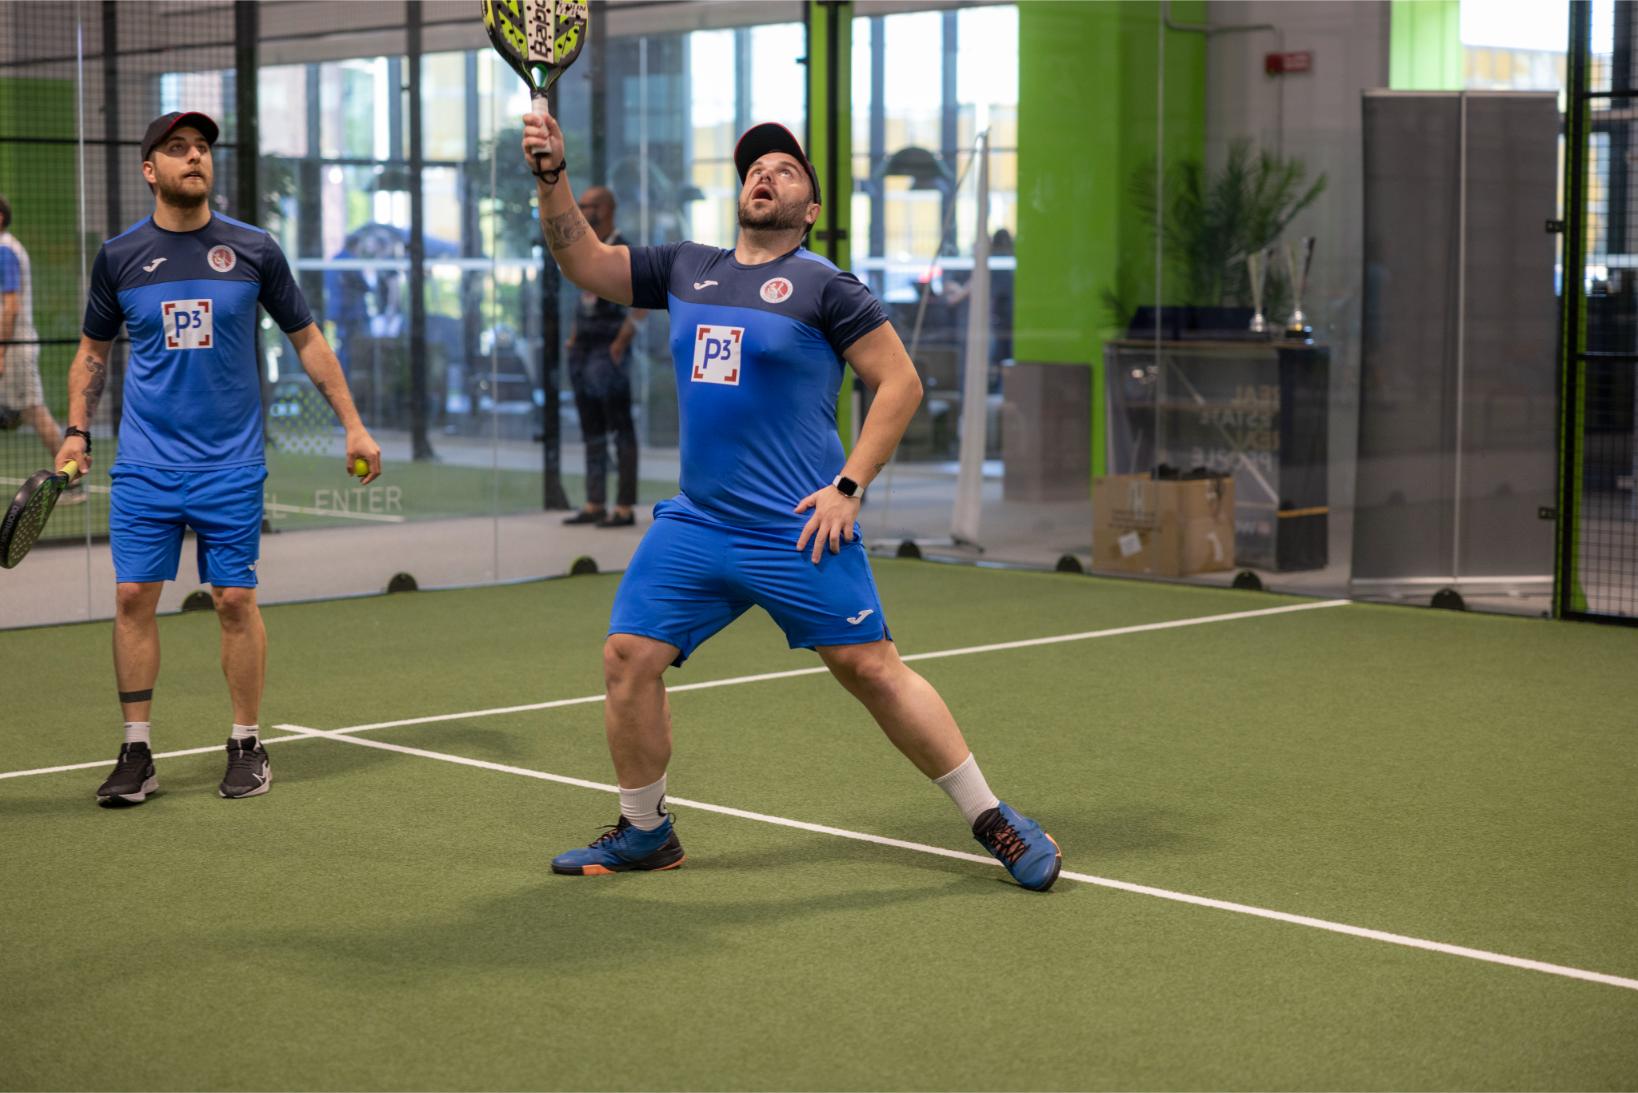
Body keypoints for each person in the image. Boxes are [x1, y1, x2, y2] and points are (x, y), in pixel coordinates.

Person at [520, 112, 1061, 890]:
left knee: (871, 669)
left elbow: (900, 383)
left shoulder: (826, 286)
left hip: (796, 527)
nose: (764, 174)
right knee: (628, 657)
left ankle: (993, 818)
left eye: (785, 169)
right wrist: (552, 176)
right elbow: (585, 260)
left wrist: (849, 487)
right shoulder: (686, 267)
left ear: (810, 208)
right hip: (699, 523)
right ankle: (646, 832)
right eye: (754, 167)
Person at [54, 111, 383, 805]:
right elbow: (91, 353)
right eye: (177, 149)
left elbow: (308, 339)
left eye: (202, 147)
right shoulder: (119, 256)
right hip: (145, 463)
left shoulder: (255, 249)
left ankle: (245, 742)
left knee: (233, 599)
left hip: (230, 464)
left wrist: (353, 425)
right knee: (132, 597)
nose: (194, 157)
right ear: (150, 170)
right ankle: (136, 752)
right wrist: (77, 431)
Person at [562, 186, 641, 529]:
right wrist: (574, 338)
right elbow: (582, 298)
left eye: (588, 205)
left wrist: (621, 342)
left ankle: (623, 507)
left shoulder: (624, 248)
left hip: (610, 349)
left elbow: (642, 304)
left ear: (606, 208)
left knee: (620, 428)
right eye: (580, 205)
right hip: (584, 349)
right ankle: (594, 502)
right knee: (591, 428)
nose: (582, 210)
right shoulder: (587, 248)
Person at [0, 194, 76, 500]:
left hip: (14, 348)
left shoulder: (5, 250)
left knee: (34, 410)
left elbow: (11, 307)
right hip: (10, 346)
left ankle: (70, 481)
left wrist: (1, 350)